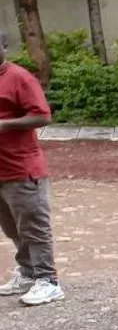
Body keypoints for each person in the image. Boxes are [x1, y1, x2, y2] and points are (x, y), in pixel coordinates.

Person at [0, 27, 61, 306]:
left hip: (22, 169)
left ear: (3, 47)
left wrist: (6, 125)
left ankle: (48, 281)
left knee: (34, 227)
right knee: (13, 228)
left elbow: (42, 116)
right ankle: (27, 273)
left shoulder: (19, 78)